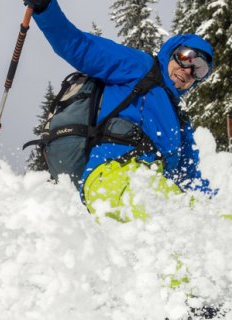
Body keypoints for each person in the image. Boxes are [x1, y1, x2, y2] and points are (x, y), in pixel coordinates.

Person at [23, 0, 216, 222]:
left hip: (147, 187)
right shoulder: (140, 67)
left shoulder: (181, 123)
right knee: (178, 226)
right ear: (171, 52)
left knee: (203, 224)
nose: (188, 70)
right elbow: (78, 45)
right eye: (186, 57)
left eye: (199, 70)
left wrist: (229, 212)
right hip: (112, 176)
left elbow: (190, 180)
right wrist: (45, 8)